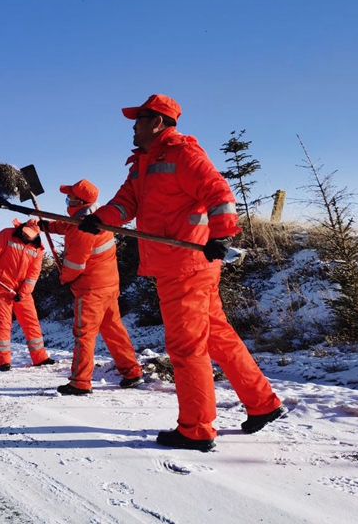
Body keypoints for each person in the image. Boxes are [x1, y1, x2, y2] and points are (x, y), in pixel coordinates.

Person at [79, 94, 284, 451]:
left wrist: (222, 234)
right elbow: (126, 202)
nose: (133, 125)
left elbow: (220, 193)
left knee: (186, 347)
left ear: (157, 121)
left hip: (186, 265)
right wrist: (101, 220)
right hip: (180, 265)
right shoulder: (143, 163)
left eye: (139, 119)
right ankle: (262, 403)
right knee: (216, 336)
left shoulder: (183, 154)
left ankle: (196, 428)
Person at [38, 179, 143, 395]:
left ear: (80, 200)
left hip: (90, 290)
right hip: (109, 286)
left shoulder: (82, 229)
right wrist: (47, 226)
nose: (67, 200)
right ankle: (132, 372)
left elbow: (75, 264)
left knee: (84, 334)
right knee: (114, 330)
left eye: (70, 197)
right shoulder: (95, 217)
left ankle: (80, 383)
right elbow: (67, 225)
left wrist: (65, 278)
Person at [0, 219, 56, 371]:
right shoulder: (7, 234)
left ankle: (40, 358)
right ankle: (4, 361)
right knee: (3, 324)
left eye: (29, 235)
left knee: (31, 323)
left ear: (36, 236)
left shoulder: (38, 249)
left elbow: (33, 275)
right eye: (25, 232)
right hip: (0, 287)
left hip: (22, 292)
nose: (26, 236)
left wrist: (23, 292)